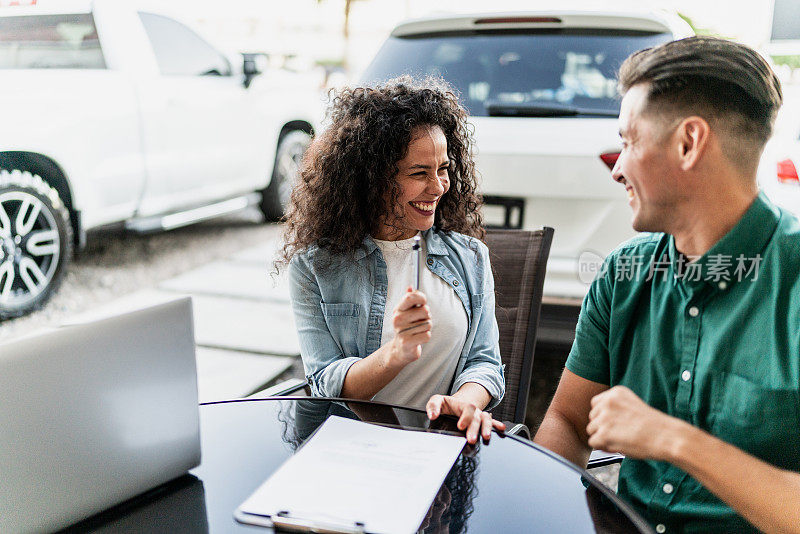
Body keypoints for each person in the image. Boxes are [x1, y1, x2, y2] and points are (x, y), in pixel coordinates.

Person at [529, 36, 800, 533]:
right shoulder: (622, 274)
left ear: (688, 143)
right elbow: (568, 422)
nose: (618, 168)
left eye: (629, 142)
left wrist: (674, 440)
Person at [279, 76, 506, 444]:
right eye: (419, 173)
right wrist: (397, 352)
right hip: (349, 450)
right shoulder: (314, 268)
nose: (438, 187)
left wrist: (464, 402)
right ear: (372, 179)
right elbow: (324, 382)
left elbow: (485, 362)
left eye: (443, 169)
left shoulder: (471, 258)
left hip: (440, 449)